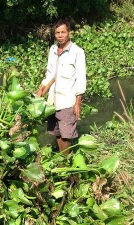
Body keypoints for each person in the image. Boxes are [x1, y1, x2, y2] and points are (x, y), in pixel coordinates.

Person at [36, 19, 86, 154]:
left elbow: (81, 78)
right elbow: (50, 73)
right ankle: (62, 157)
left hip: (67, 100)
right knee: (57, 132)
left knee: (66, 134)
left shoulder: (77, 52)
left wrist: (78, 102)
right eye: (57, 33)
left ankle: (66, 159)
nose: (60, 35)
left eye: (63, 32)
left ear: (69, 33)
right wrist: (41, 88)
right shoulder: (53, 49)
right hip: (53, 100)